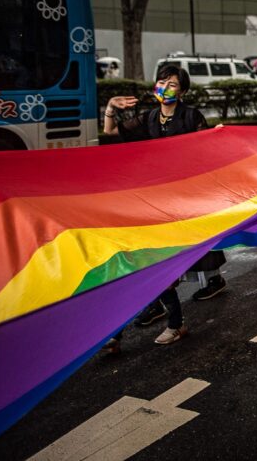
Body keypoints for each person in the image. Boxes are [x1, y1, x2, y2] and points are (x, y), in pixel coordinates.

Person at [102, 65, 227, 347]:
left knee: (161, 264)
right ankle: (140, 326)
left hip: (183, 205)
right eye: (161, 82)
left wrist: (217, 137)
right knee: (146, 260)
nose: (165, 88)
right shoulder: (148, 118)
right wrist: (111, 106)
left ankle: (167, 321)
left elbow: (207, 153)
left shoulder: (191, 116)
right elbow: (110, 134)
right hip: (152, 202)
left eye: (172, 84)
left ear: (182, 90)